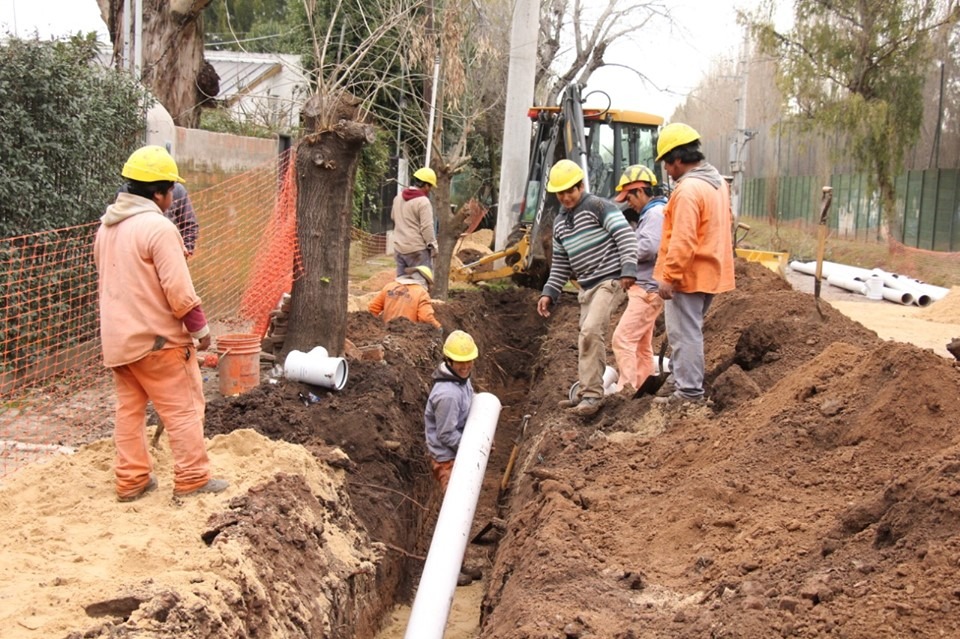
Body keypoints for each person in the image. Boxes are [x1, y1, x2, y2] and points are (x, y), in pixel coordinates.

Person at [94, 145, 229, 502]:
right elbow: (179, 291)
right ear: (158, 193)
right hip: (158, 342)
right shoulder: (159, 228)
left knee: (129, 412)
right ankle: (192, 478)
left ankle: (131, 480)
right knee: (183, 408)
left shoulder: (107, 229)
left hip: (119, 342)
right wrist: (200, 331)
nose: (173, 197)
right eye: (171, 190)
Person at [536, 159, 639, 417]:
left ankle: (593, 396)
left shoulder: (599, 207)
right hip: (587, 287)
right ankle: (586, 391)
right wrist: (550, 292)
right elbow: (560, 263)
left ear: (581, 185)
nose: (566, 197)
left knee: (592, 331)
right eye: (561, 193)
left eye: (570, 190)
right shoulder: (561, 223)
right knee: (585, 337)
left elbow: (625, 236)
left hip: (609, 280)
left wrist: (628, 269)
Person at [652, 123, 735, 406]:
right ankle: (679, 378)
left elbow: (683, 238)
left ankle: (688, 394)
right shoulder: (717, 183)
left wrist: (669, 276)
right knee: (690, 330)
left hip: (689, 274)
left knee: (684, 334)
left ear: (678, 159)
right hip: (710, 270)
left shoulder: (688, 190)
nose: (666, 170)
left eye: (667, 162)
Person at [423, 329, 481, 586]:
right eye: (461, 361)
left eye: (469, 360)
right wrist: (475, 447)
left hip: (458, 452)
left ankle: (458, 561)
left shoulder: (461, 380)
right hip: (448, 458)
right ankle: (447, 570)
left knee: (462, 511)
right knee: (453, 513)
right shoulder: (447, 394)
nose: (466, 365)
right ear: (449, 361)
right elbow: (447, 435)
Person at [610, 165, 667, 393]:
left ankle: (627, 390)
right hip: (648, 288)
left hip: (646, 290)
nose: (629, 203)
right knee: (642, 346)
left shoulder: (654, 214)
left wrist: (625, 251)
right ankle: (644, 388)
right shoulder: (655, 212)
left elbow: (649, 247)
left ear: (641, 191)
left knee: (621, 339)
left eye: (629, 197)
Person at [118, 180, 199, 257]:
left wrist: (184, 250)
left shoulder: (176, 189)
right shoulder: (126, 191)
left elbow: (190, 224)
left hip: (168, 255)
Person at [391, 167, 438, 277]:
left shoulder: (398, 198)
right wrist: (433, 245)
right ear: (426, 185)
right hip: (417, 251)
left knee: (402, 286)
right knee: (420, 284)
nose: (430, 189)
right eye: (430, 186)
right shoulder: (423, 202)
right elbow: (427, 227)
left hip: (399, 249)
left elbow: (393, 217)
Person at [367, 265, 442, 329]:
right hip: (407, 335)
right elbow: (425, 317)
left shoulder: (389, 286)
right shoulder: (421, 293)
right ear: (426, 281)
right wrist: (438, 327)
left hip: (386, 330)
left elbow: (372, 308)